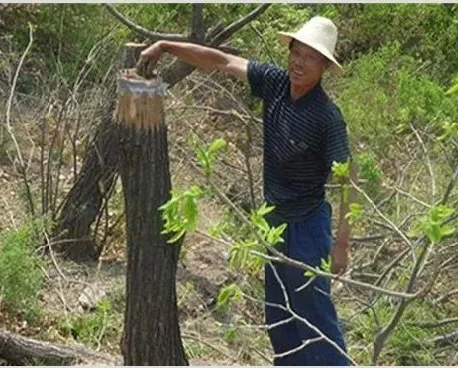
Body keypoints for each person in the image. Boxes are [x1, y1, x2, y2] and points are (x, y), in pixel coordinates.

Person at [137, 15, 357, 366]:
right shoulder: (274, 83)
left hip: (308, 228)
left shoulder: (327, 117)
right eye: (296, 53)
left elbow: (349, 177)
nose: (299, 62)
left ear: (324, 66)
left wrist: (341, 242)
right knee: (280, 317)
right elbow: (221, 60)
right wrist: (165, 46)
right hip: (274, 224)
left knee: (316, 320)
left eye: (310, 57)